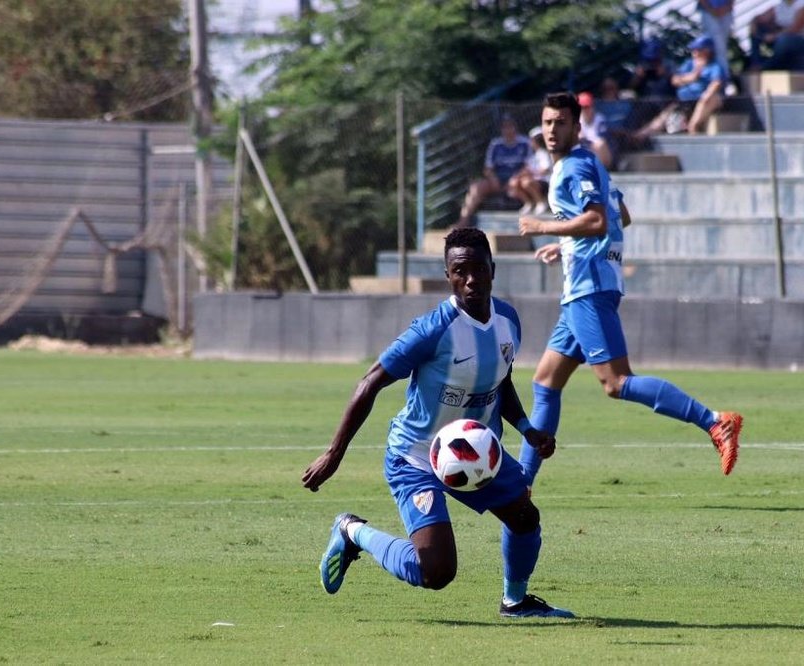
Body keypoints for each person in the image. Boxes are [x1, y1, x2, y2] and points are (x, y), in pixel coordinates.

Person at [302, 227, 574, 619]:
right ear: (448, 275)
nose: (471, 280)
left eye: (479, 269)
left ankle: (515, 601)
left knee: (525, 518)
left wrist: (528, 429)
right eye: (460, 271)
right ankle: (351, 532)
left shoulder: (508, 321)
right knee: (437, 572)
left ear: (493, 270)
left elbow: (501, 381)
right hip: (414, 459)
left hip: (476, 454)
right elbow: (369, 383)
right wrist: (334, 453)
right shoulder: (432, 331)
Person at [516, 91, 742, 488]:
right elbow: (623, 215)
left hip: (590, 287)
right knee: (545, 382)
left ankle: (715, 421)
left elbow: (598, 221)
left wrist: (543, 227)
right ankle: (522, 482)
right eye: (547, 122)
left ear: (577, 126)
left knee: (616, 382)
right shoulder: (590, 164)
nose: (552, 130)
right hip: (584, 286)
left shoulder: (573, 168)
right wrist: (567, 243)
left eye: (561, 122)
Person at [627, 35, 726, 142]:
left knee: (706, 98)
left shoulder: (715, 66)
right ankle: (639, 136)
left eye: (697, 50)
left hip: (704, 100)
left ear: (707, 51)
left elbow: (717, 83)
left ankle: (693, 126)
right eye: (694, 50)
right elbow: (675, 80)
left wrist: (706, 94)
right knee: (664, 116)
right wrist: (692, 77)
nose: (694, 52)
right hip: (684, 101)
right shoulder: (689, 64)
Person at [456, 114, 532, 228]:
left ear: (515, 127)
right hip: (498, 179)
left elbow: (530, 166)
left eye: (510, 126)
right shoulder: (496, 144)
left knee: (522, 182)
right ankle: (464, 221)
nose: (508, 130)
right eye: (505, 127)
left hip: (518, 179)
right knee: (476, 188)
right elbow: (488, 168)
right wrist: (493, 178)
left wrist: (515, 178)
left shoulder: (525, 143)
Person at [749, 0, 804, 70]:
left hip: (800, 43)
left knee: (783, 41)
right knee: (759, 31)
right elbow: (761, 18)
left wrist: (775, 36)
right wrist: (753, 22)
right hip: (780, 41)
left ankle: (766, 67)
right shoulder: (780, 6)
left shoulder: (803, 5)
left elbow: (795, 28)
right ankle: (755, 64)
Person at [508, 126, 552, 215]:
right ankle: (529, 203)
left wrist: (531, 173)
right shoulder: (532, 154)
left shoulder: (544, 153)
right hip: (534, 180)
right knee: (514, 182)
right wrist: (518, 176)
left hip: (545, 181)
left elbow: (545, 170)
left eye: (532, 140)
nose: (531, 142)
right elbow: (527, 168)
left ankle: (541, 202)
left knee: (526, 182)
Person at [698, 0, 735, 77]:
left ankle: (721, 76)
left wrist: (726, 8)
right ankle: (722, 76)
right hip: (708, 12)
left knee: (722, 46)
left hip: (726, 12)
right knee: (718, 46)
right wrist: (712, 10)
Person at [577, 92, 614, 169]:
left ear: (592, 106)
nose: (585, 110)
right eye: (582, 107)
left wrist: (586, 141)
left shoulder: (600, 119)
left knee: (599, 144)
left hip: (603, 154)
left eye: (587, 107)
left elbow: (602, 140)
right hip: (585, 150)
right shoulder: (577, 121)